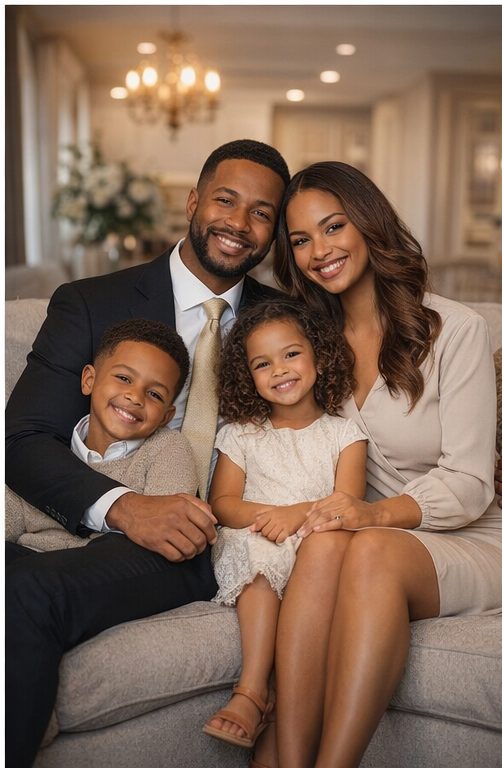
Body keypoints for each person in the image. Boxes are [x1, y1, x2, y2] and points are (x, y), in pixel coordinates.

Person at [5, 139, 290, 768]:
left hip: (203, 543)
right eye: (225, 200)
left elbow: (359, 421)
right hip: (98, 515)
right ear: (192, 201)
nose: (239, 224)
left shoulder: (292, 325)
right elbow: (22, 438)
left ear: (274, 231)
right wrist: (126, 507)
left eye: (262, 213)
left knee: (24, 595)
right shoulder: (90, 302)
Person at [249, 160, 502, 768]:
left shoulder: (456, 330)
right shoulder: (308, 347)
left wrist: (369, 515)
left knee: (365, 545)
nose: (320, 250)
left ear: (369, 224)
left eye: (334, 226)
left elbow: (473, 483)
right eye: (301, 240)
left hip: (479, 537)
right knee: (324, 546)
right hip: (372, 533)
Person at [202, 298, 367, 750]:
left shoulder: (344, 434)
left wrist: (294, 516)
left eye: (291, 353)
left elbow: (346, 503)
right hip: (259, 540)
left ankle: (274, 717)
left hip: (317, 545)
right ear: (247, 377)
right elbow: (223, 504)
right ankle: (252, 690)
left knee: (317, 554)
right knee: (261, 555)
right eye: (262, 363)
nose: (279, 370)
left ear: (318, 354)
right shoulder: (241, 433)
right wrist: (267, 518)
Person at [7, 318, 196, 553]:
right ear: (89, 380)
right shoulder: (44, 453)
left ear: (166, 417)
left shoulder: (168, 450)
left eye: (154, 394)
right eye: (124, 378)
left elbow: (165, 535)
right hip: (27, 569)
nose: (135, 397)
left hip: (106, 578)